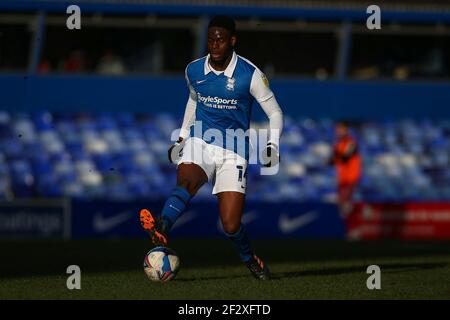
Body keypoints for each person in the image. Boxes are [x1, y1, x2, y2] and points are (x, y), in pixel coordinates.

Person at [139, 16, 283, 280]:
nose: (214, 44)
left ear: (232, 41)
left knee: (230, 224)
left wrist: (272, 145)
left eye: (220, 39)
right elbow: (193, 102)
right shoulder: (193, 70)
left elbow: (275, 113)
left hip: (235, 150)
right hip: (201, 140)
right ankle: (162, 225)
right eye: (210, 38)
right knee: (187, 181)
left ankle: (249, 258)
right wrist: (182, 139)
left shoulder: (249, 74)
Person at [328, 121, 361, 217]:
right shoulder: (338, 144)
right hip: (342, 178)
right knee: (341, 202)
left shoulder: (351, 143)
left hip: (351, 178)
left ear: (346, 129)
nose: (338, 131)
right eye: (337, 129)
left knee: (347, 201)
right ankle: (344, 220)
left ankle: (350, 221)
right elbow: (333, 161)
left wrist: (334, 157)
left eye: (340, 129)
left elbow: (345, 158)